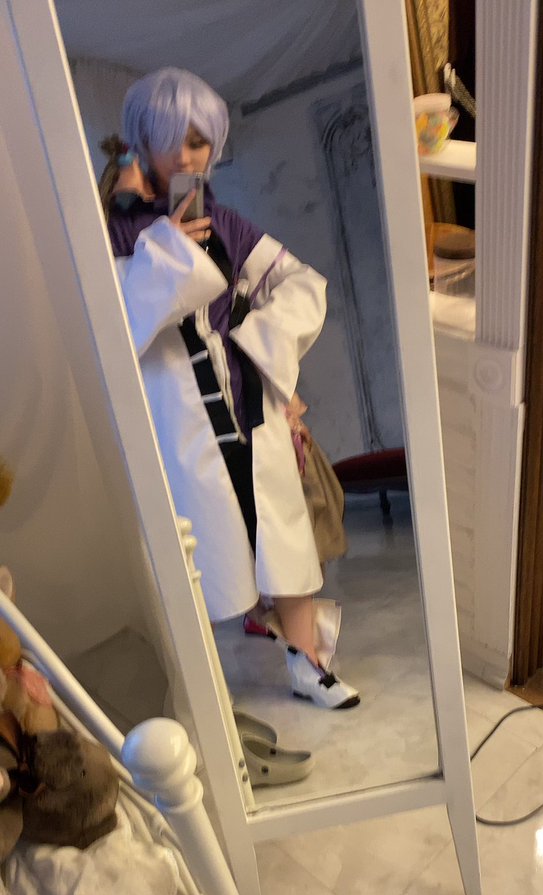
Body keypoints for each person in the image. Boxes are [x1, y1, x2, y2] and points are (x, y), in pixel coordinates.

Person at [103, 67, 359, 710]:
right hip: (177, 416)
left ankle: (309, 665)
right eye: (173, 140)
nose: (189, 156)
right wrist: (165, 250)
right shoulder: (115, 231)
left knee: (283, 537)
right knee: (203, 551)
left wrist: (257, 342)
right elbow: (114, 327)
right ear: (143, 141)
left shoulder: (227, 223)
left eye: (200, 142)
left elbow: (302, 283)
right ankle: (205, 693)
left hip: (247, 406)